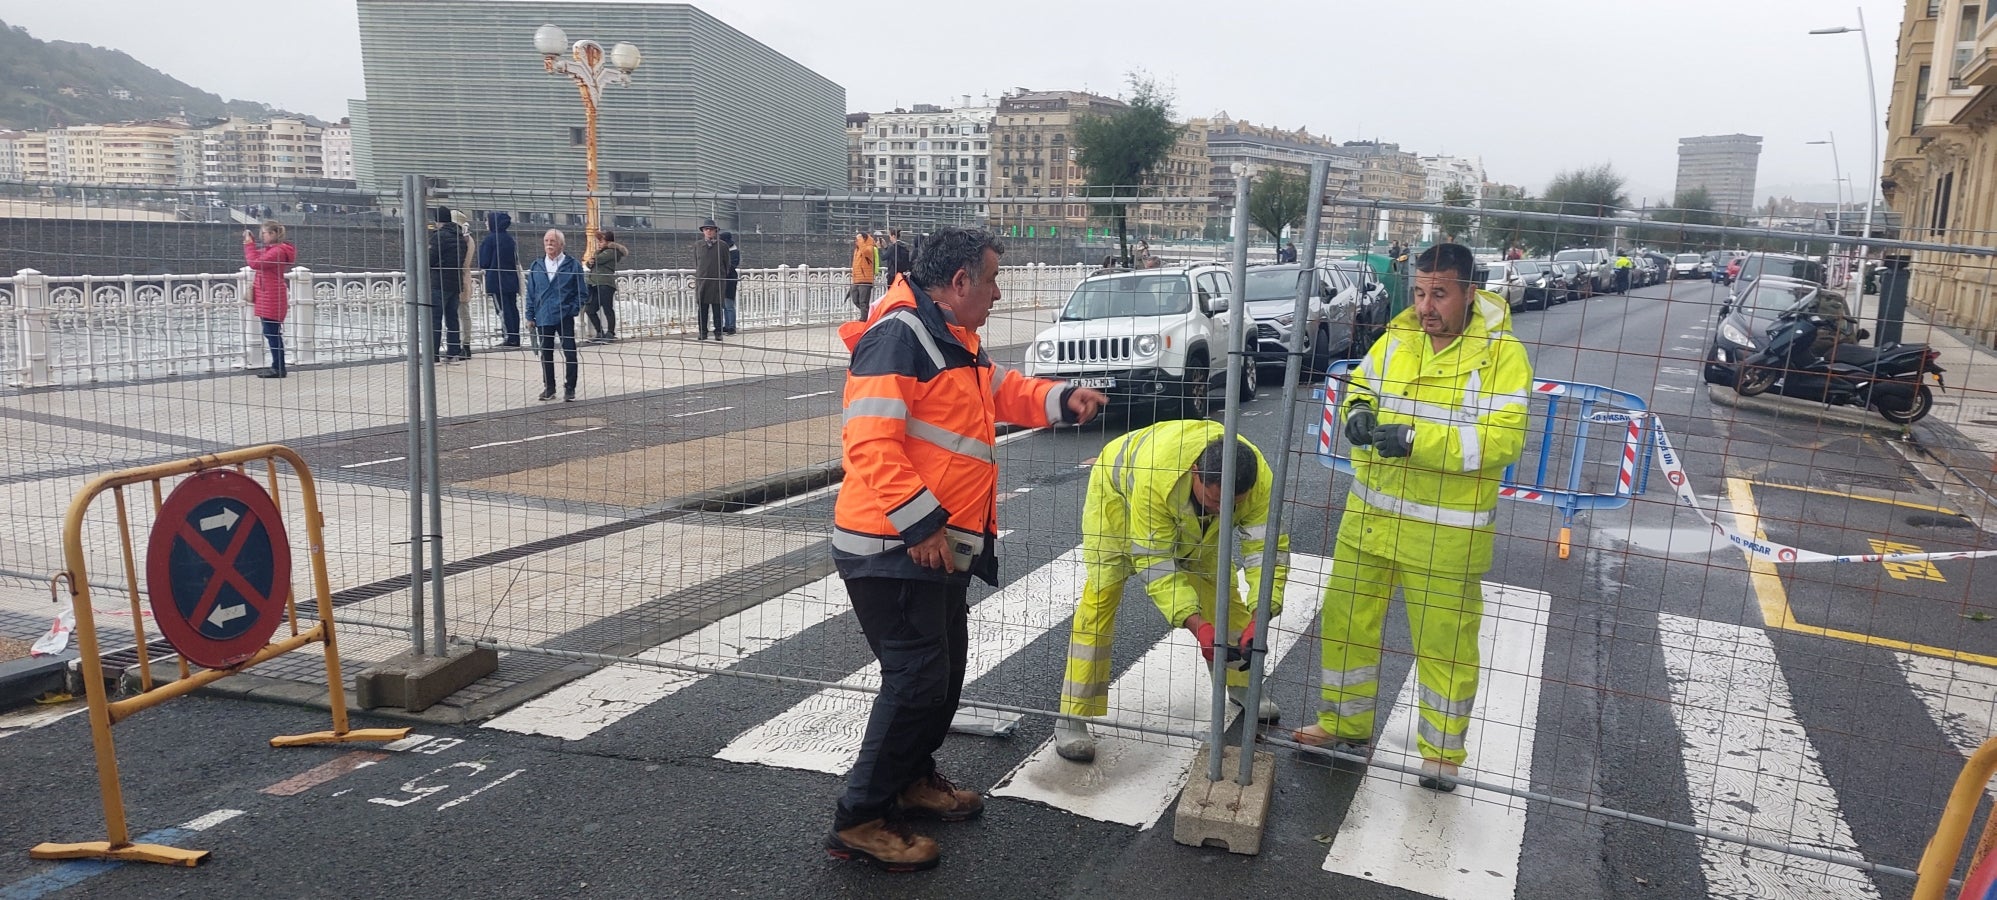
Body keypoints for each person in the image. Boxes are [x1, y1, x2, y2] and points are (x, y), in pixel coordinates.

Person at [825, 227, 1107, 871]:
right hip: (893, 547)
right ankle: (861, 817)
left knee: (941, 676)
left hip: (936, 547)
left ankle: (912, 780)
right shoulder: (899, 336)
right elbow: (870, 443)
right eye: (990, 280)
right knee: (917, 679)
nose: (998, 293)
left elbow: (1000, 390)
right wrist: (921, 525)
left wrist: (1062, 398)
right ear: (958, 284)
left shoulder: (949, 338)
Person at [1294, 242, 1532, 792]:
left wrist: (1417, 441)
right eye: (1421, 292)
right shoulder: (1397, 338)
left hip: (1445, 533)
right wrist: (1355, 413)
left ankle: (1442, 755)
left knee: (1444, 642)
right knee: (1346, 622)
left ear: (1470, 293)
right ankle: (1343, 724)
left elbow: (1502, 440)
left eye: (1440, 294)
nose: (1427, 306)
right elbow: (1361, 386)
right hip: (1372, 517)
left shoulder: (1501, 355)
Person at [1054, 421, 1291, 763]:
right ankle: (1071, 714)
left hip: (1186, 516)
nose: (1222, 511)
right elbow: (1157, 564)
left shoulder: (1258, 482)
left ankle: (1241, 683)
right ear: (1197, 473)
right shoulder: (1155, 479)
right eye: (1213, 500)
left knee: (1220, 590)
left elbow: (1267, 554)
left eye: (1232, 505)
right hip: (1119, 501)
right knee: (1101, 598)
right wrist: (1199, 627)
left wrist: (1262, 614)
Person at [525, 229, 587, 402]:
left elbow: (582, 292)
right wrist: (530, 316)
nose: (549, 244)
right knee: (546, 353)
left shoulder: (572, 265)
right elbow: (531, 293)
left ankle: (570, 388)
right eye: (546, 241)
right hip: (543, 315)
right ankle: (549, 388)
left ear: (561, 244)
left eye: (552, 241)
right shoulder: (536, 266)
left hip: (564, 315)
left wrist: (572, 309)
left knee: (570, 352)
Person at [242, 220, 296, 379]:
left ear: (273, 234)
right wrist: (250, 243)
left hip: (271, 296)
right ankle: (277, 366)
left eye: (264, 233)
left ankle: (279, 368)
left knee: (272, 333)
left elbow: (254, 263)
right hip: (268, 295)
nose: (261, 237)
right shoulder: (273, 250)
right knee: (271, 332)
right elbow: (259, 257)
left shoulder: (277, 251)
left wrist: (249, 245)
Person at [425, 206, 468, 361]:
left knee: (434, 319)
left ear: (437, 220)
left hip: (439, 283)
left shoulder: (439, 237)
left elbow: (430, 259)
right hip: (455, 283)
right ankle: (454, 352)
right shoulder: (460, 236)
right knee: (452, 318)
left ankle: (433, 355)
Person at [477, 212, 522, 347]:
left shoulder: (489, 240)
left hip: (496, 280)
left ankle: (509, 338)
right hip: (511, 279)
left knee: (502, 309)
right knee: (512, 308)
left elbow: (483, 261)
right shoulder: (509, 239)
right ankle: (515, 336)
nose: (485, 223)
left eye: (487, 221)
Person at [584, 228, 628, 343]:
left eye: (601, 241)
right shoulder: (601, 251)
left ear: (608, 242)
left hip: (605, 284)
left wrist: (594, 257)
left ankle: (610, 332)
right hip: (594, 283)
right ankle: (599, 332)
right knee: (590, 309)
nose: (599, 244)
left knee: (607, 308)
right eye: (599, 242)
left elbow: (598, 260)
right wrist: (590, 261)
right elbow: (590, 264)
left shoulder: (611, 252)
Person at [692, 219, 728, 341]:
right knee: (702, 308)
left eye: (711, 229)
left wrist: (722, 276)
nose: (709, 231)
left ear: (716, 231)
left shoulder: (722, 246)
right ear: (703, 231)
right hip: (702, 281)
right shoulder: (698, 245)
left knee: (717, 308)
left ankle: (718, 332)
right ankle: (703, 332)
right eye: (706, 229)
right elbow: (697, 262)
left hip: (717, 281)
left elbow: (726, 264)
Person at [451, 209, 476, 358]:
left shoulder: (461, 239)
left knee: (461, 313)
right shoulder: (469, 239)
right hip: (465, 277)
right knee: (464, 313)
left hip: (458, 278)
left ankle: (463, 345)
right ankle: (465, 344)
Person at [847, 230, 878, 320]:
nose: (856, 241)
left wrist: (860, 239)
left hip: (865, 280)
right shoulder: (857, 249)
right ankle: (869, 314)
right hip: (857, 280)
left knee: (863, 301)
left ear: (863, 239)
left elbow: (865, 252)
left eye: (858, 239)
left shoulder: (869, 248)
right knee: (855, 299)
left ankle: (864, 320)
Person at [721, 230, 740, 335]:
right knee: (724, 304)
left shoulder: (733, 252)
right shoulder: (732, 250)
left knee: (728, 304)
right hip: (724, 279)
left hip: (729, 280)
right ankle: (727, 325)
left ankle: (731, 326)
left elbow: (732, 266)